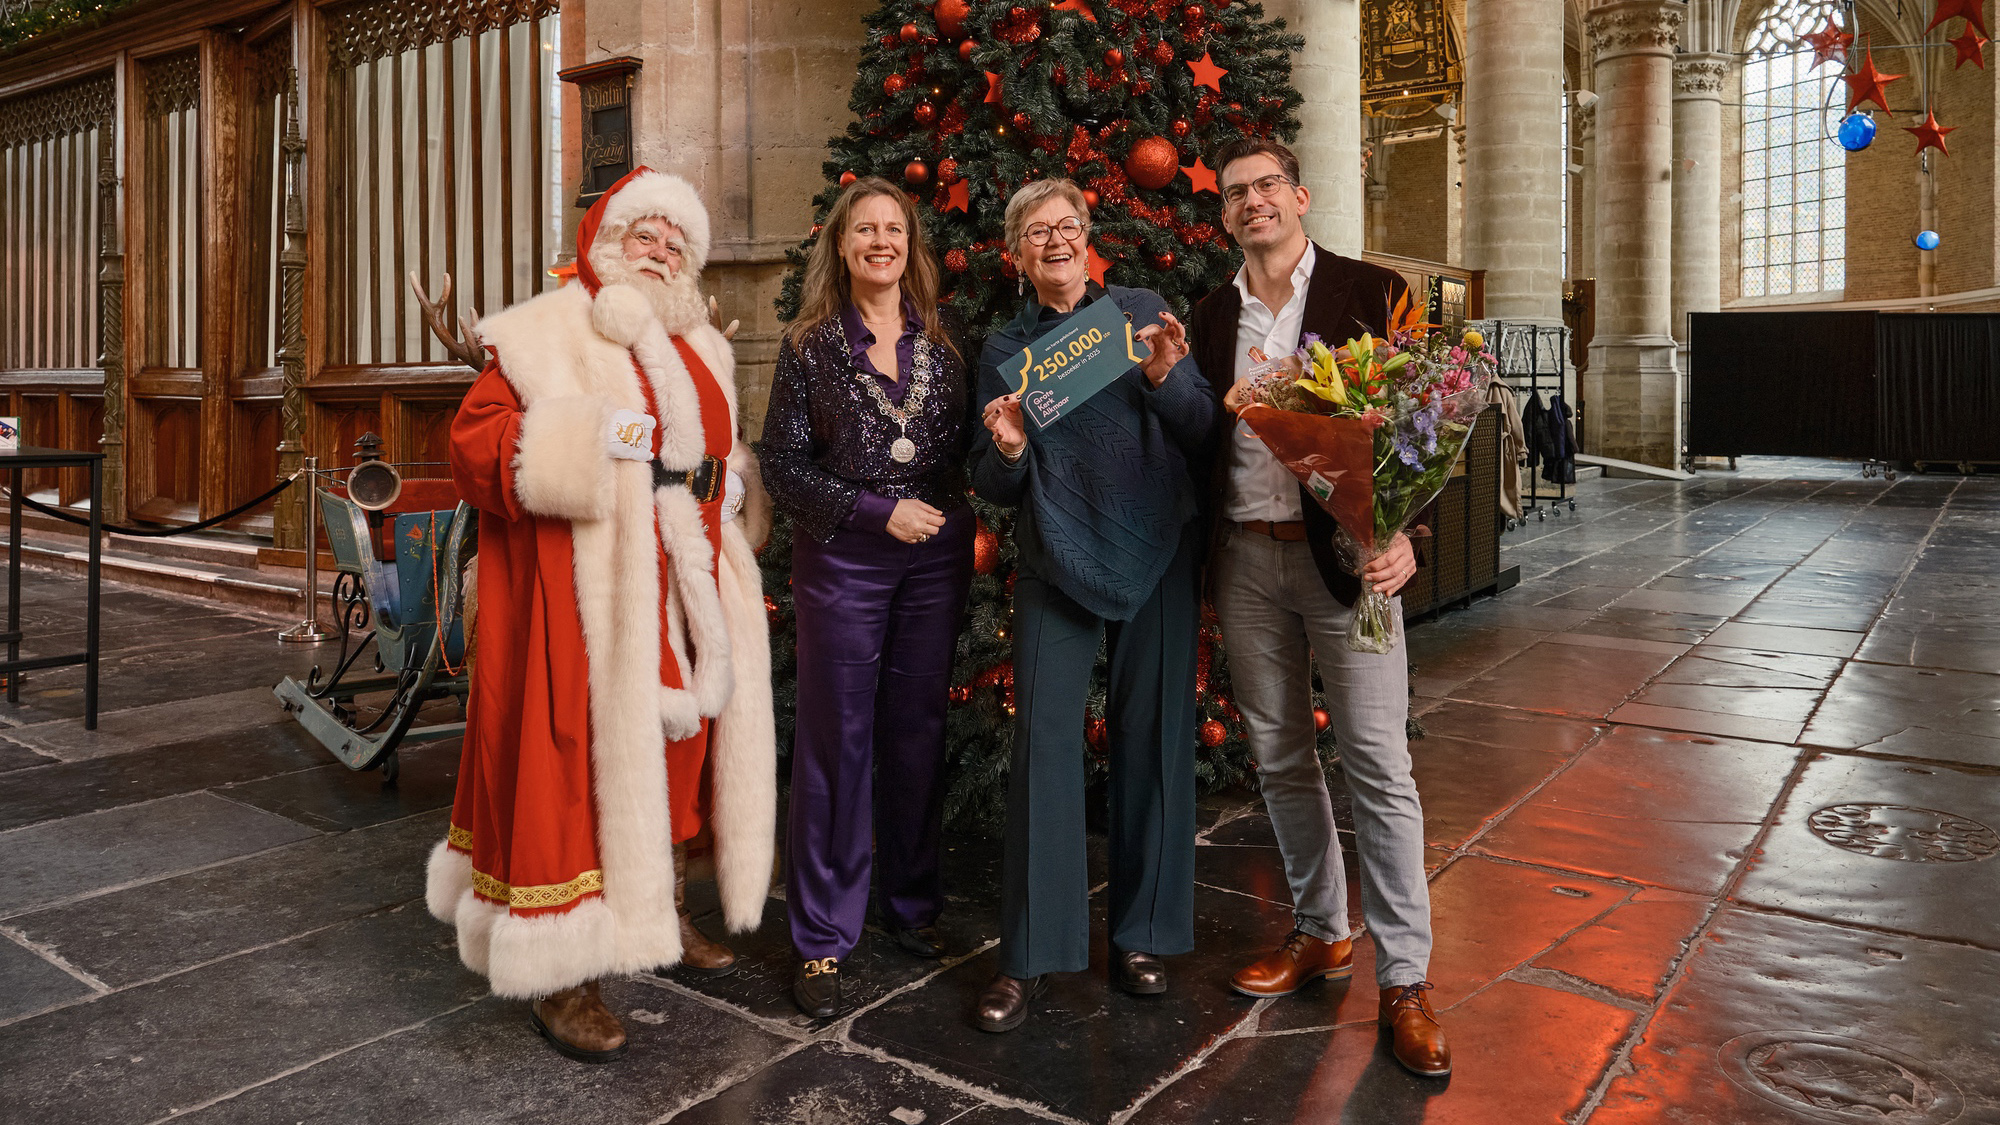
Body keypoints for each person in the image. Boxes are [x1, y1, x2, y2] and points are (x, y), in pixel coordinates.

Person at [429, 167, 777, 1063]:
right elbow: (477, 445)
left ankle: (658, 914)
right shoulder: (541, 329)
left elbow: (714, 450)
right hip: (584, 589)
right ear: (604, 241)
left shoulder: (702, 342)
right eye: (644, 236)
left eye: (675, 243)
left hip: (687, 575)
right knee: (571, 765)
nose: (658, 253)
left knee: (678, 753)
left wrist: (730, 486)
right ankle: (561, 971)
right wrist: (593, 440)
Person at [1188, 138, 1450, 1077]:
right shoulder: (1213, 314)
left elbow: (1431, 421)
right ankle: (1320, 929)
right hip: (1247, 565)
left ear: (1300, 195)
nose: (1254, 202)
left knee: (1379, 765)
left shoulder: (1370, 292)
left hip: (1348, 566)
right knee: (1282, 758)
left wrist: (1408, 538)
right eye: (1236, 194)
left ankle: (1408, 978)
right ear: (1225, 216)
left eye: (1268, 186)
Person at [969, 178, 1216, 1033]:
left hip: (1159, 549)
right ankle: (1029, 956)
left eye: (1067, 225)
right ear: (1018, 254)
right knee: (1042, 746)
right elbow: (993, 482)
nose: (1056, 240)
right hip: (1055, 558)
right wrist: (1004, 446)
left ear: (1090, 236)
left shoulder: (1140, 309)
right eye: (1036, 231)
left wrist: (1162, 376)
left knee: (1153, 738)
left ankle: (1141, 934)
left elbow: (1200, 427)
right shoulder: (1005, 348)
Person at [759, 177, 976, 1018]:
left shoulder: (947, 341)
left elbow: (962, 449)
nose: (881, 241)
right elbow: (783, 463)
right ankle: (821, 937)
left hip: (935, 557)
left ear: (910, 244)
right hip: (845, 555)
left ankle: (910, 906)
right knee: (835, 739)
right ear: (842, 248)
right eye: (865, 230)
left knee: (918, 727)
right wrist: (878, 513)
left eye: (894, 228)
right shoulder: (809, 345)